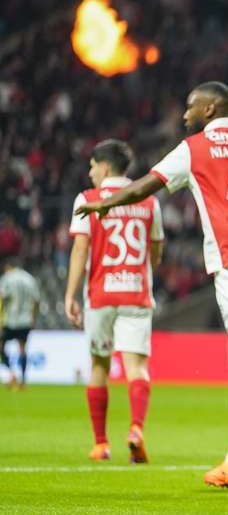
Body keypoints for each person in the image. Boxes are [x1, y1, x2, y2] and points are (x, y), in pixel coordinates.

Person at [76, 81, 228, 495]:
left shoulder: (193, 148)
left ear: (211, 109)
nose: (185, 115)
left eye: (191, 107)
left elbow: (144, 186)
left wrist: (105, 204)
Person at [65, 139, 164, 462]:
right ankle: (136, 428)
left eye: (93, 166)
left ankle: (100, 443)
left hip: (101, 294)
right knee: (137, 367)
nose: (90, 172)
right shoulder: (149, 201)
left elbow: (81, 248)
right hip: (135, 292)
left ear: (104, 167)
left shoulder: (88, 199)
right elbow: (156, 248)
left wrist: (70, 294)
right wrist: (143, 272)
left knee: (99, 366)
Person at [0, 258, 40, 389]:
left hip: (10, 320)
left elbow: (2, 298)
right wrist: (33, 318)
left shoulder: (7, 278)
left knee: (1, 346)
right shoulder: (30, 279)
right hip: (26, 320)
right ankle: (22, 381)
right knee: (22, 349)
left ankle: (12, 374)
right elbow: (36, 300)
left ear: (8, 268)